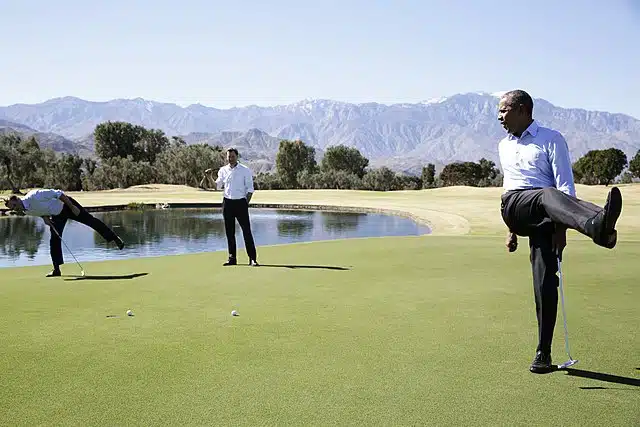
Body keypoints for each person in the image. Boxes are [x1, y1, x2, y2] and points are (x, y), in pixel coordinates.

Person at [496, 89, 623, 374]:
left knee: (545, 281)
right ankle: (595, 225)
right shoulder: (503, 145)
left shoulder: (551, 139)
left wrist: (561, 230)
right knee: (546, 194)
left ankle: (543, 353)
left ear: (523, 110)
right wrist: (510, 230)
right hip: (515, 206)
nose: (500, 116)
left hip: (547, 213)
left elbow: (566, 188)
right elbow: (508, 185)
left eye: (504, 110)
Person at [3, 189, 124, 277]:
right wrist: (45, 219)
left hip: (67, 206)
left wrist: (72, 207)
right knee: (54, 240)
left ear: (17, 199)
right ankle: (56, 269)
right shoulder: (25, 211)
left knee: (91, 221)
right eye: (12, 209)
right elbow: (40, 211)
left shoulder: (34, 195)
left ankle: (114, 238)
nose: (14, 209)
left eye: (14, 206)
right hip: (57, 216)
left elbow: (59, 194)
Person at [215, 148, 259, 266]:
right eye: (228, 157)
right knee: (230, 233)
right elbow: (218, 186)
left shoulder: (245, 170)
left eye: (232, 156)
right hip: (227, 203)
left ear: (237, 157)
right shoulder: (223, 170)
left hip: (241, 203)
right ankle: (232, 258)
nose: (230, 159)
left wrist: (246, 204)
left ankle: (252, 258)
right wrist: (208, 177)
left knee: (246, 231)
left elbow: (250, 189)